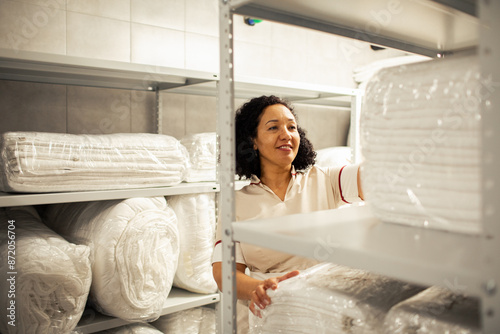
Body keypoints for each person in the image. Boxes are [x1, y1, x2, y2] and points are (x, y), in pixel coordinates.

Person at [212, 95, 363, 333]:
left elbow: (373, 178)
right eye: (273, 128)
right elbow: (224, 273)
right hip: (272, 313)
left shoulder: (325, 179)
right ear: (252, 141)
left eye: (292, 127)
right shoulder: (236, 203)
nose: (287, 134)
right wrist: (256, 288)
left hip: (324, 310)